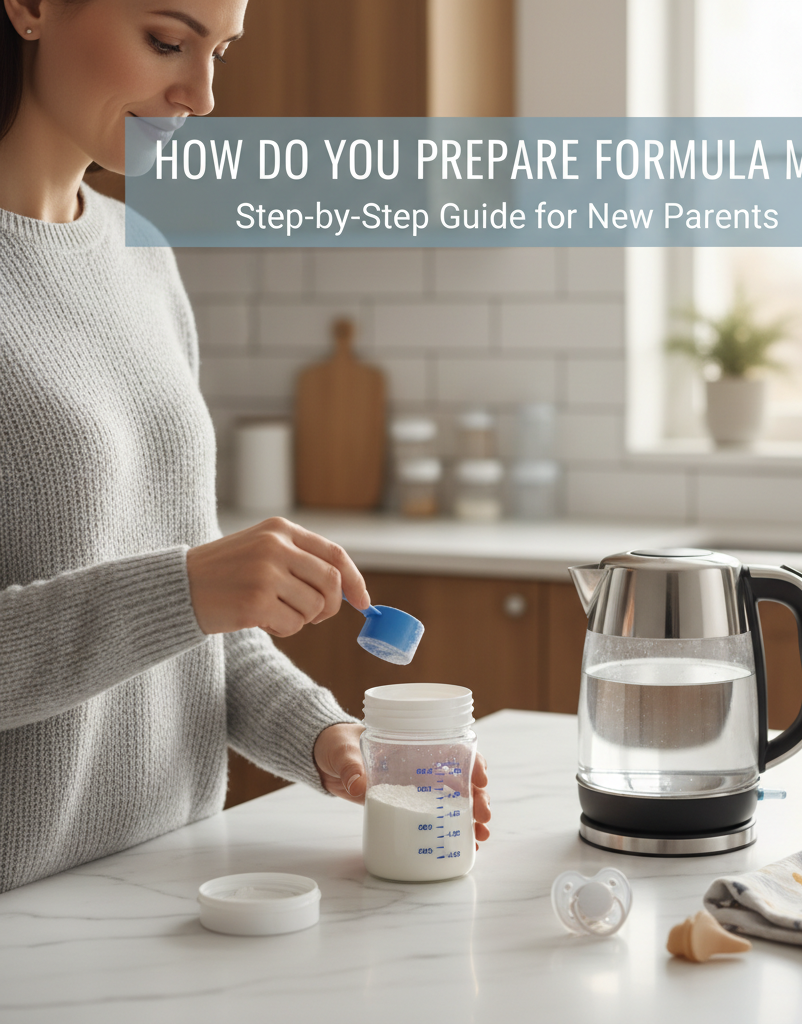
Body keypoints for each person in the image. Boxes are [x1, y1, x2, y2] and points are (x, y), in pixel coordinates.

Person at [0, 0, 490, 894]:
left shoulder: (137, 256)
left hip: (177, 881)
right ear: (31, 7)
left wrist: (325, 735)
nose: (202, 93)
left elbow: (185, 630)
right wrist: (190, 586)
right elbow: (174, 597)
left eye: (219, 51)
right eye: (166, 41)